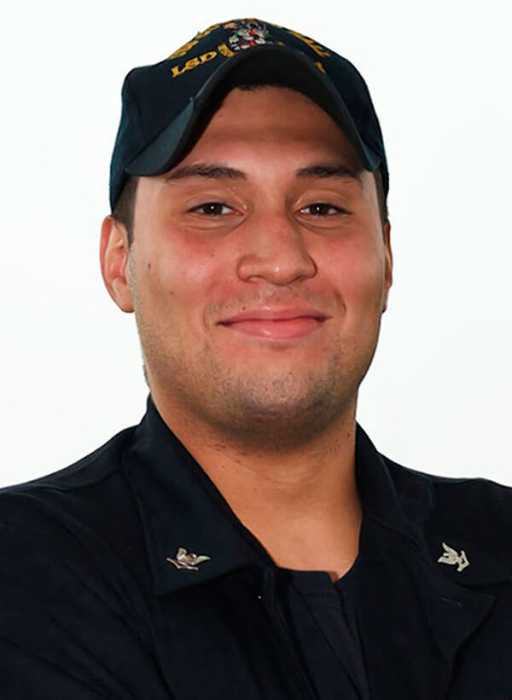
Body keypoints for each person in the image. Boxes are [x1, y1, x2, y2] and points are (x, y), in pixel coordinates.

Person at [1, 16, 511, 700]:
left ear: (387, 258)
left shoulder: (499, 543)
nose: (280, 259)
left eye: (322, 208)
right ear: (119, 262)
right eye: (214, 207)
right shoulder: (28, 569)